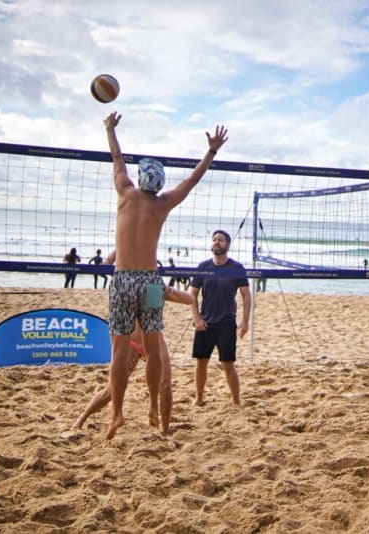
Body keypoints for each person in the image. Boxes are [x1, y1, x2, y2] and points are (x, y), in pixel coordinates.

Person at [103, 111, 227, 439]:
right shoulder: (163, 204)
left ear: (141, 178)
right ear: (158, 183)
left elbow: (117, 158)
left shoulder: (126, 193)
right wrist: (212, 151)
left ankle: (116, 414)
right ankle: (153, 408)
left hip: (123, 281)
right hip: (151, 282)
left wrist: (110, 129)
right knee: (154, 345)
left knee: (119, 351)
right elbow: (192, 180)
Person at [71, 284, 194, 434]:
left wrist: (170, 291)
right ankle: (81, 419)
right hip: (131, 342)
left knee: (165, 383)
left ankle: (164, 428)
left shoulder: (153, 285)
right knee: (111, 389)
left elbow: (188, 299)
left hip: (154, 341)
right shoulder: (126, 281)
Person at [189, 229, 251, 406]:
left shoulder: (236, 268)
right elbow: (192, 294)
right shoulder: (203, 267)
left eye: (221, 240)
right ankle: (199, 398)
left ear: (228, 245)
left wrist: (245, 322)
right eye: (214, 239)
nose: (217, 242)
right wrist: (197, 319)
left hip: (226, 324)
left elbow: (246, 295)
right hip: (205, 323)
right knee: (201, 363)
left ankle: (236, 401)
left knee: (228, 364)